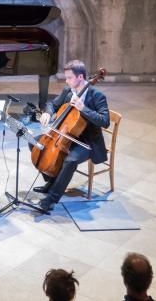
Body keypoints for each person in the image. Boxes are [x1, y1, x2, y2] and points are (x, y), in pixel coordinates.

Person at [32, 60, 110, 211]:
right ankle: (52, 181)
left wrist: (83, 108)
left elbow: (105, 121)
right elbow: (53, 104)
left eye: (69, 77)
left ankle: (52, 199)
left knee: (70, 160)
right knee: (35, 144)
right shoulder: (68, 91)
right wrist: (47, 113)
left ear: (80, 77)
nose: (66, 81)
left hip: (87, 141)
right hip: (65, 135)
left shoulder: (97, 96)